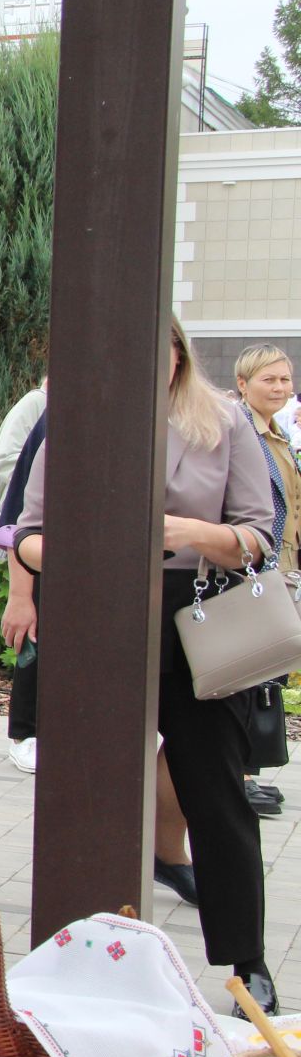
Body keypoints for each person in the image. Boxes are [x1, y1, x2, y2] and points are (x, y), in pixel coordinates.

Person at [16, 316, 279, 1016]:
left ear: (178, 356)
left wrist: (195, 533)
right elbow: (26, 534)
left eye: (156, 348)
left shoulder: (222, 420)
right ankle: (84, 958)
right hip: (100, 622)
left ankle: (245, 962)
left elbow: (260, 534)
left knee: (216, 798)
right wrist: (76, 547)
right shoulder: (73, 420)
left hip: (192, 620)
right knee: (86, 799)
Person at [233, 343, 296, 818]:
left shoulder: (279, 435)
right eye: (268, 380)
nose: (279, 387)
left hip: (283, 567)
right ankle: (241, 774)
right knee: (246, 672)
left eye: (285, 379)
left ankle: (249, 767)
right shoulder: (239, 433)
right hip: (252, 567)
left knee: (269, 673)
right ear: (243, 385)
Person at [0, 376, 48, 774]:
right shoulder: (40, 406)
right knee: (36, 634)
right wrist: (19, 593)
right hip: (40, 541)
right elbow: (12, 468)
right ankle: (27, 731)